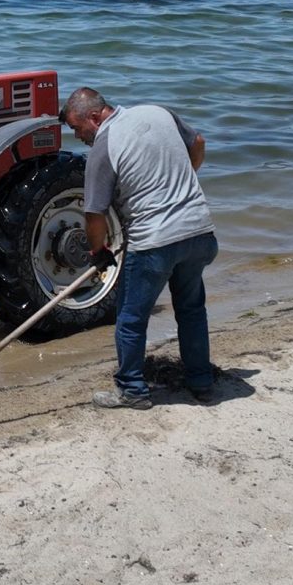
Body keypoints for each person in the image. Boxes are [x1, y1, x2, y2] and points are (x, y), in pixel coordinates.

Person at [59, 87, 221, 409]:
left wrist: (98, 252)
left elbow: (94, 214)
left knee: (131, 317)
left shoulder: (104, 147)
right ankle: (201, 381)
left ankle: (132, 389)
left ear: (94, 117)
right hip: (200, 232)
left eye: (77, 129)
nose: (77, 137)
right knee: (191, 308)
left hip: (154, 242)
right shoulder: (157, 112)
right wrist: (182, 190)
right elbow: (198, 143)